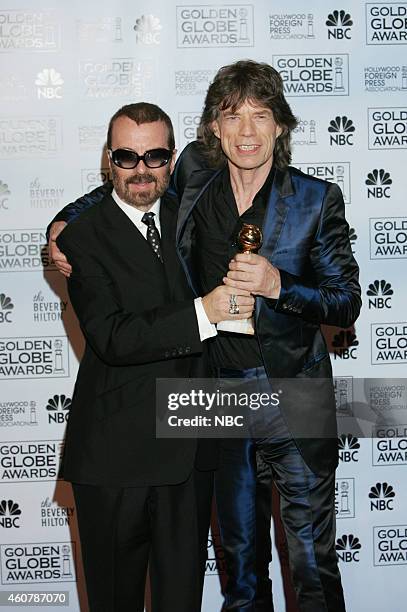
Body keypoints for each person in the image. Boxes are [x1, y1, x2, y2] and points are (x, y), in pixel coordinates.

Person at [49, 61, 361, 612]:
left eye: (260, 116)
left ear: (281, 126)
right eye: (232, 116)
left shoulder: (317, 198)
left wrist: (279, 285)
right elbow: (128, 184)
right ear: (213, 129)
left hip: (296, 394)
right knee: (240, 568)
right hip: (218, 398)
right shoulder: (193, 174)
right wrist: (60, 225)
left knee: (311, 564)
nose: (246, 131)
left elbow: (345, 301)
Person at [53, 101, 254, 612]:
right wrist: (203, 313)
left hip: (189, 447)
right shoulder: (82, 237)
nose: (141, 169)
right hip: (116, 455)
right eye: (126, 156)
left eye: (155, 155)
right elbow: (113, 337)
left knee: (181, 600)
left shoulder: (197, 218)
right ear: (109, 160)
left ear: (172, 160)